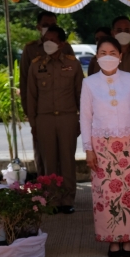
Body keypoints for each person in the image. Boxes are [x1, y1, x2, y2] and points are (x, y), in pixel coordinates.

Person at [81, 36, 130, 257]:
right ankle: (111, 240)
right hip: (102, 147)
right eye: (103, 53)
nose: (108, 57)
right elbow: (85, 117)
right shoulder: (89, 83)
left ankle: (128, 238)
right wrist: (88, 148)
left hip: (129, 145)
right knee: (106, 194)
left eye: (112, 53)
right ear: (96, 57)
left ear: (120, 57)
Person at [26, 26, 83, 214]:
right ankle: (52, 199)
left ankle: (67, 199)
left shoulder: (73, 65)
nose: (48, 43)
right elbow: (31, 97)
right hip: (45, 119)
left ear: (62, 43)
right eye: (46, 39)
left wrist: (80, 120)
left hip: (67, 118)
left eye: (53, 39)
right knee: (49, 161)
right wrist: (33, 123)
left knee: (67, 159)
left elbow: (80, 95)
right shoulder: (36, 65)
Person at [20, 11, 74, 175]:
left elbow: (75, 84)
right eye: (45, 25)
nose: (49, 28)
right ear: (38, 27)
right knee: (44, 157)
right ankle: (46, 195)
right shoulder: (30, 50)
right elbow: (25, 86)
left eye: (53, 25)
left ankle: (65, 195)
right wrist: (31, 117)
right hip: (42, 114)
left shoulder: (67, 48)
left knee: (65, 157)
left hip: (65, 112)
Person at [88, 17, 130, 128]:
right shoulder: (103, 55)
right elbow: (95, 85)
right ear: (113, 32)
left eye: (127, 30)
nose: (123, 33)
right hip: (108, 111)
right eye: (119, 30)